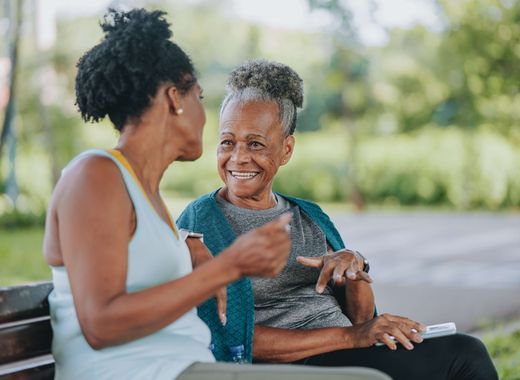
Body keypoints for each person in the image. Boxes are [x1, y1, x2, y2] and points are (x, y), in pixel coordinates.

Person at [43, 8, 390, 380]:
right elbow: (100, 324)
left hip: (184, 367)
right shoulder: (95, 174)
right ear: (174, 98)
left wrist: (187, 248)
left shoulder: (147, 197)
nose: (206, 116)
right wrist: (230, 266)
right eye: (200, 96)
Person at [176, 59, 499, 380]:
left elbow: (360, 319)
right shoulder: (199, 225)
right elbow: (226, 337)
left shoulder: (309, 216)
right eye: (227, 142)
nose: (238, 157)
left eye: (256, 144)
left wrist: (355, 270)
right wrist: (351, 338)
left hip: (347, 353)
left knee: (464, 350)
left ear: (286, 149)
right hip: (293, 366)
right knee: (464, 358)